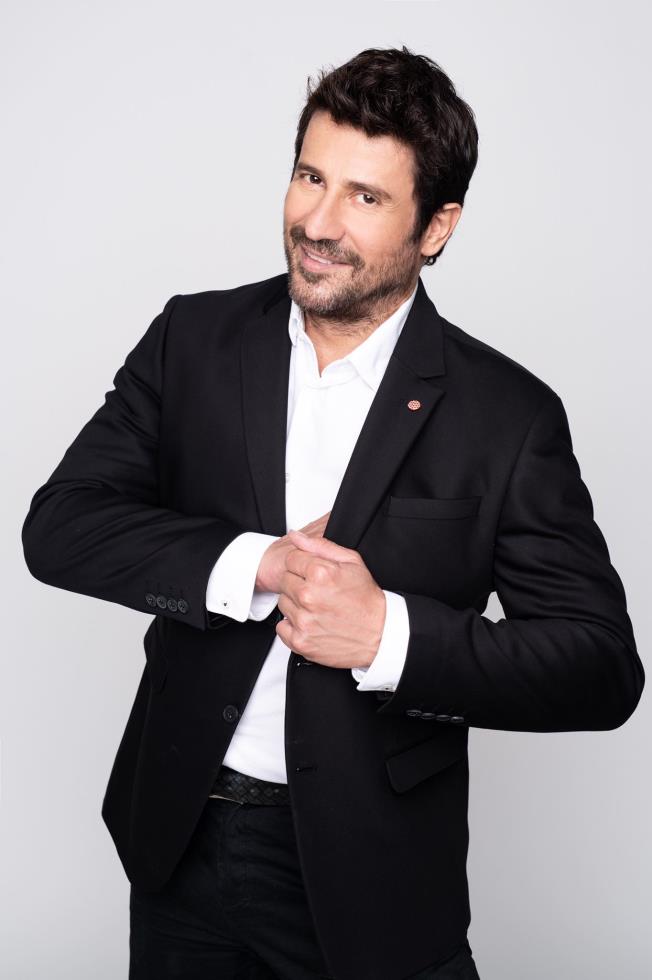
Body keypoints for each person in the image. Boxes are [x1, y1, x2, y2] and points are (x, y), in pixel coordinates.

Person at [21, 45, 644, 980]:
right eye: (310, 177)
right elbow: (61, 525)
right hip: (179, 842)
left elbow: (600, 668)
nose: (317, 222)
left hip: (374, 874)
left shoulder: (508, 417)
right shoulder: (192, 338)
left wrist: (387, 633)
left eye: (365, 196)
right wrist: (257, 565)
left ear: (436, 227)